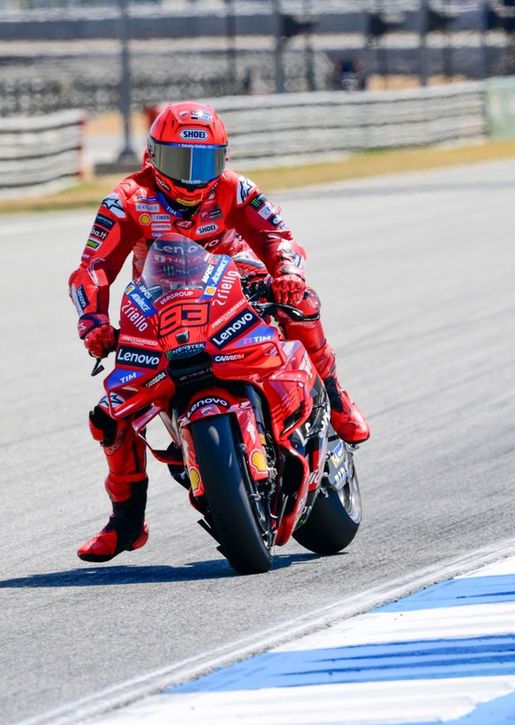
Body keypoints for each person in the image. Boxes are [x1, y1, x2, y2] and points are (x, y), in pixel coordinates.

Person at [68, 101, 371, 563]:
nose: (191, 177)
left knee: (299, 304)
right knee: (110, 414)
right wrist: (92, 320)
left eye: (204, 162)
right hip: (162, 300)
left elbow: (277, 237)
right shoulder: (126, 198)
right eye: (178, 161)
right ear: (152, 156)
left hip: (235, 280)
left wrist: (286, 272)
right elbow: (93, 269)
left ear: (223, 159)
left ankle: (335, 393)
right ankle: (126, 523)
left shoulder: (237, 189)